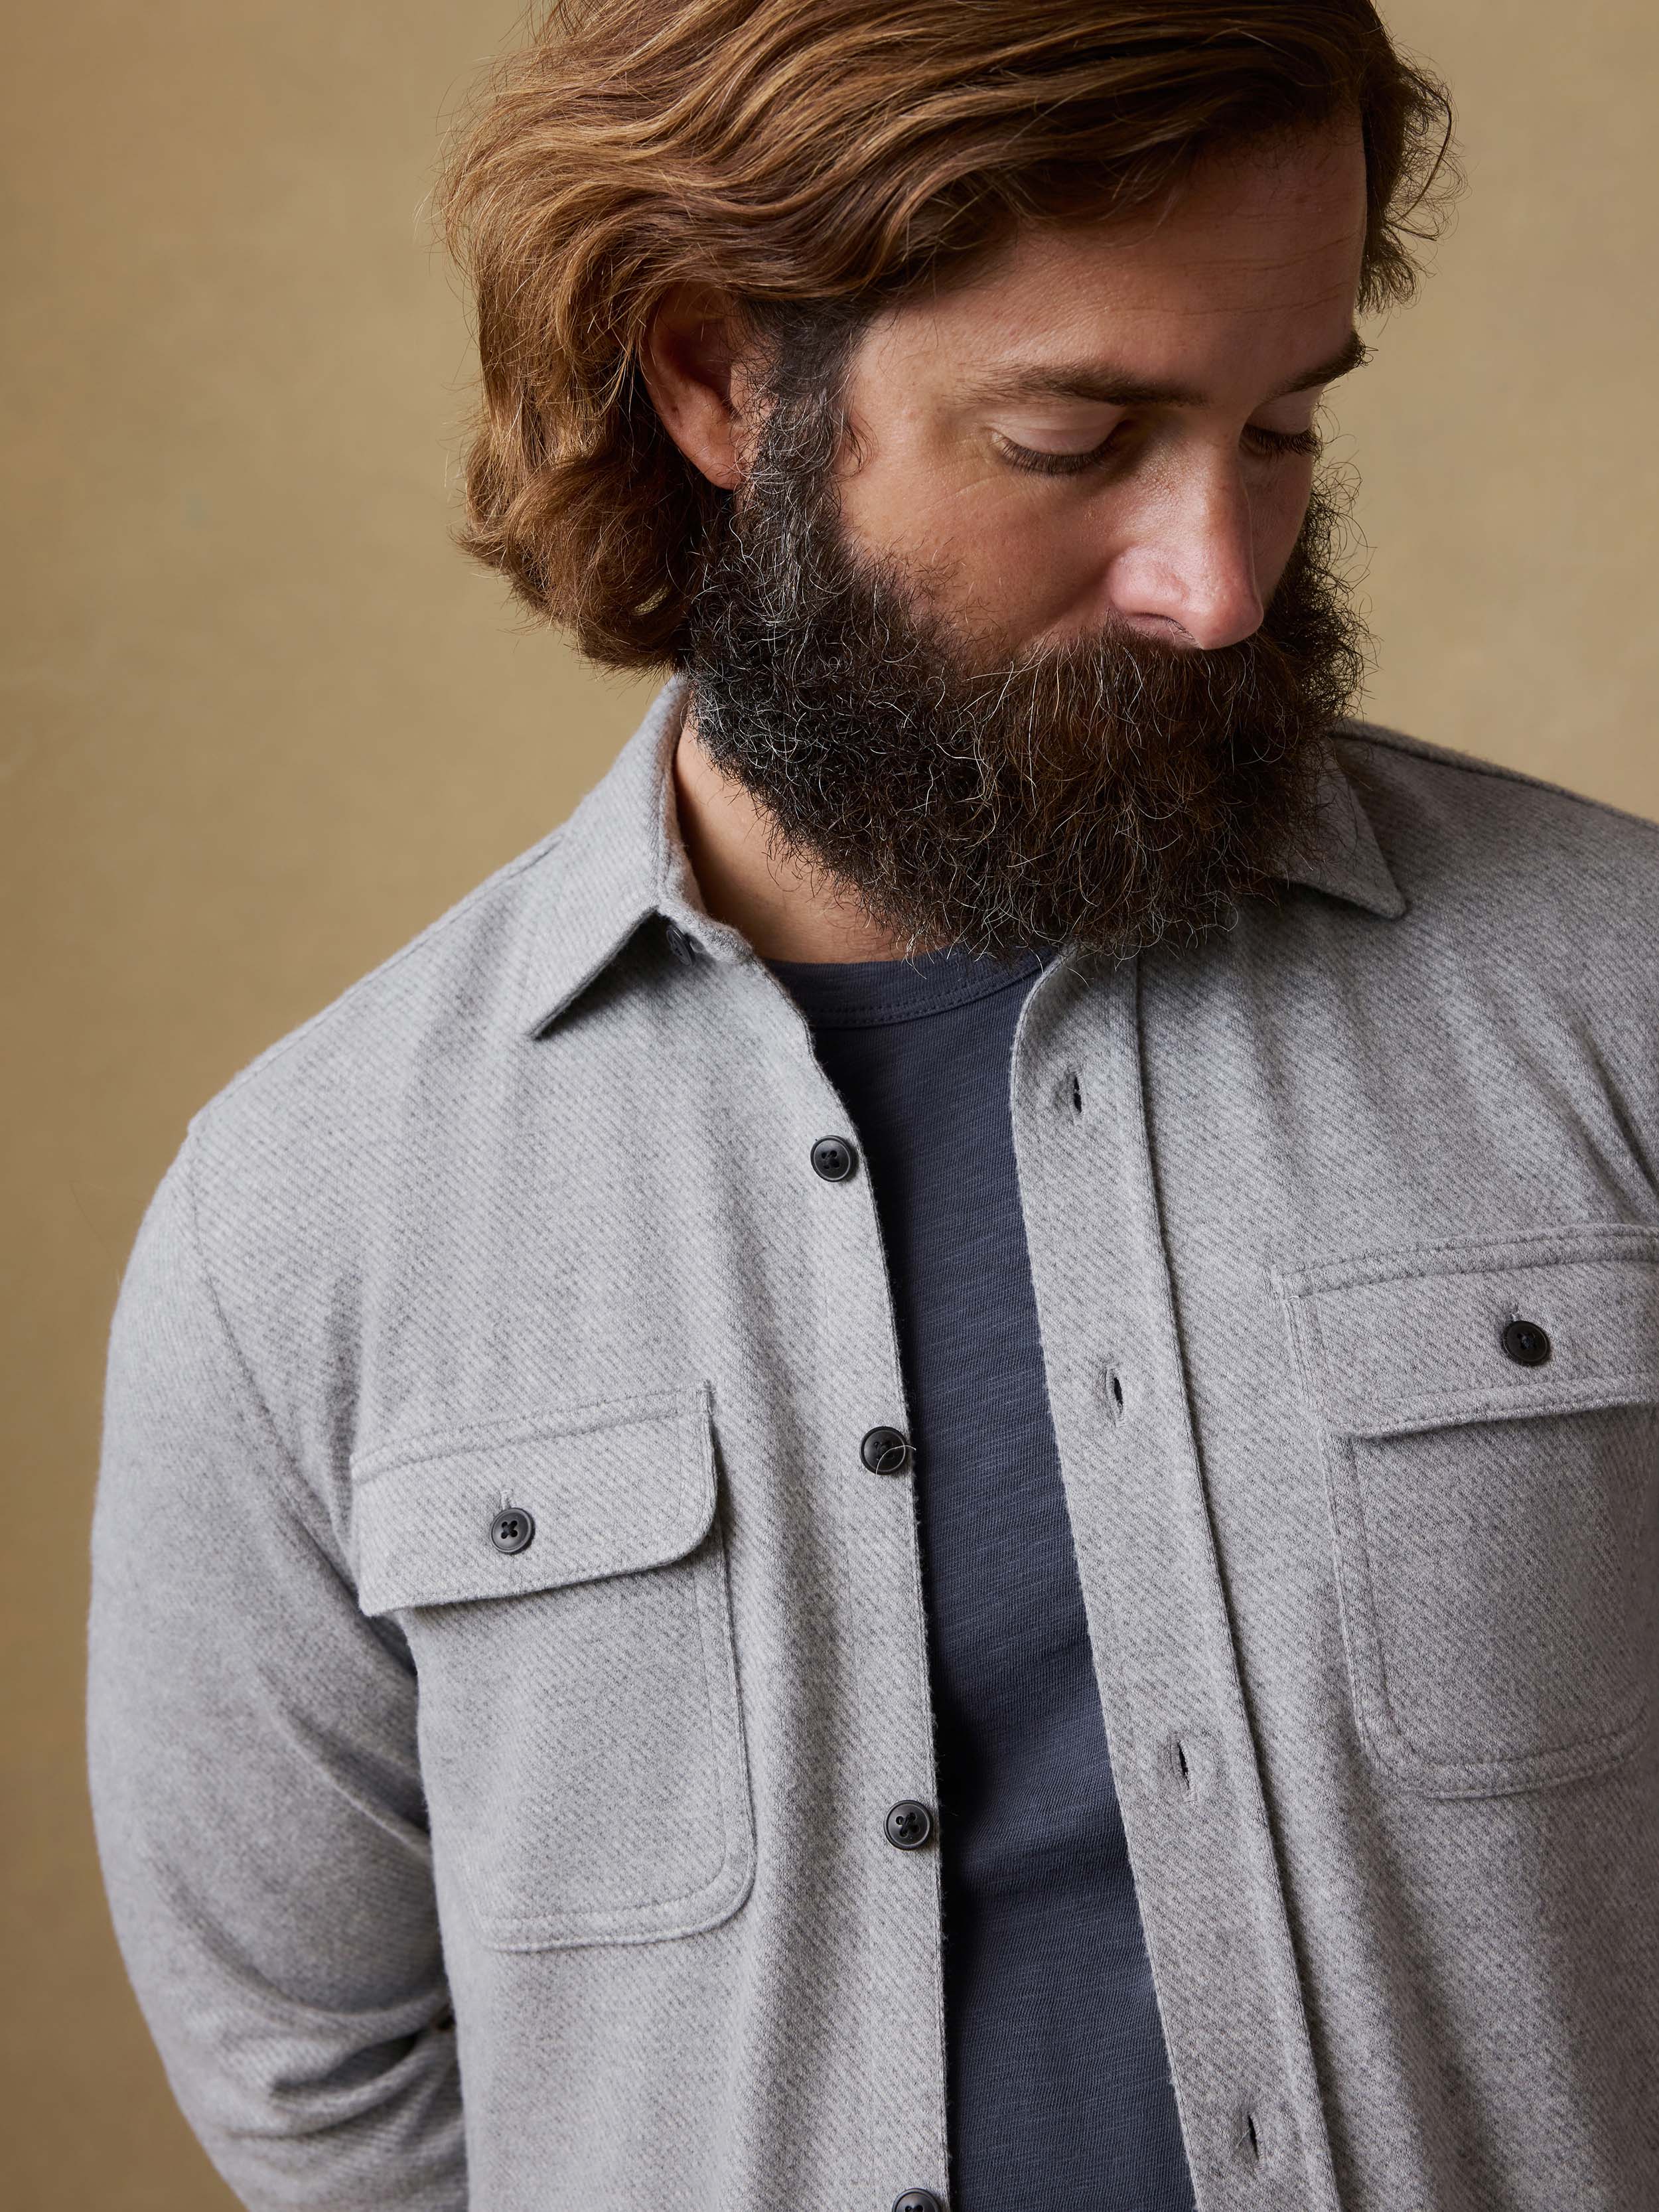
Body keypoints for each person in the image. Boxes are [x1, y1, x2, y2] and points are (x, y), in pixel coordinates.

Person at [84, 3, 1659, 2208]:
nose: (1217, 583)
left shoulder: (1623, 1005)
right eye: (1073, 436)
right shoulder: (304, 1221)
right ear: (720, 378)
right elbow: (325, 2078)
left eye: (1280, 429)